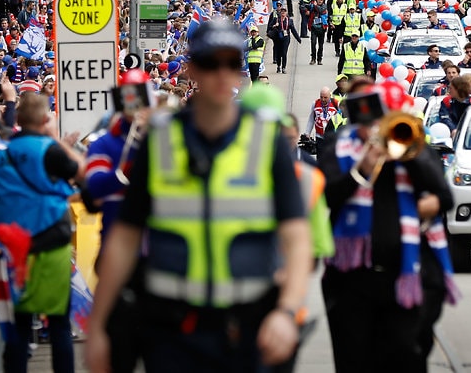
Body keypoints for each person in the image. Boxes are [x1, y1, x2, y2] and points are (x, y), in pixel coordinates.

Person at [85, 20, 312, 373]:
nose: (221, 74)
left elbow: (297, 237)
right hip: (173, 331)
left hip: (249, 327)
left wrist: (287, 311)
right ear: (192, 69)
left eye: (230, 63)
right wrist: (98, 326)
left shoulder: (267, 140)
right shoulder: (159, 142)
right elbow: (125, 238)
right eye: (210, 63)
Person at [318, 82, 455, 373]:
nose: (376, 129)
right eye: (370, 123)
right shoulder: (339, 145)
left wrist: (407, 153)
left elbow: (443, 195)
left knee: (404, 356)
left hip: (404, 274)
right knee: (354, 359)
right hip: (351, 279)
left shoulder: (412, 145)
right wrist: (362, 168)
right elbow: (329, 195)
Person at [0, 92, 87, 373]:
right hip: (50, 243)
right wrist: (57, 140)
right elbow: (82, 172)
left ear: (18, 119)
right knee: (58, 324)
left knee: (18, 326)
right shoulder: (49, 150)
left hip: (13, 248)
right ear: (45, 120)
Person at [84, 68, 153, 373]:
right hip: (118, 264)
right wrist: (127, 165)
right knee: (119, 355)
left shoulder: (171, 141)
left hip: (163, 261)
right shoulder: (103, 144)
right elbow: (94, 188)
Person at [305, 87, 338, 156]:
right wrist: (307, 133)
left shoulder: (336, 103)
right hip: (319, 137)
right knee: (320, 159)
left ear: (330, 96)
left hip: (331, 137)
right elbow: (311, 119)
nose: (323, 99)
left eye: (325, 97)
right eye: (321, 97)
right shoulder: (315, 103)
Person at [269, 6, 301, 74]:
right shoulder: (276, 19)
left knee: (284, 53)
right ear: (280, 13)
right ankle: (278, 66)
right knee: (278, 53)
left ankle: (283, 67)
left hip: (286, 38)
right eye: (282, 11)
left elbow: (293, 30)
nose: (283, 13)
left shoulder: (289, 20)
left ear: (286, 13)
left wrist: (298, 38)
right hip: (278, 37)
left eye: (284, 11)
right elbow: (270, 26)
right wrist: (274, 26)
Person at [308, 0, 328, 65]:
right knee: (313, 43)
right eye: (318, 0)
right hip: (314, 28)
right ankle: (313, 58)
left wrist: (315, 5)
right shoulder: (313, 6)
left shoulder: (324, 6)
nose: (320, 1)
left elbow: (320, 10)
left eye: (321, 0)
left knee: (321, 45)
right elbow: (308, 10)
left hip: (321, 28)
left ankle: (319, 59)